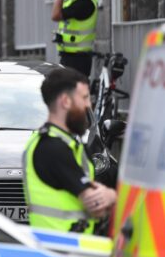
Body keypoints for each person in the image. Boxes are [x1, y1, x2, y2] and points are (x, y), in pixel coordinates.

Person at [23, 68, 116, 234]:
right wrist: (112, 196)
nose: (89, 105)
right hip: (64, 250)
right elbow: (96, 205)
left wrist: (106, 196)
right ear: (65, 101)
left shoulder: (67, 143)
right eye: (85, 98)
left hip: (69, 248)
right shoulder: (52, 148)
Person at [51, 0, 98, 77]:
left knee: (71, 92)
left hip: (77, 60)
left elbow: (55, 16)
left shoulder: (84, 3)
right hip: (70, 57)